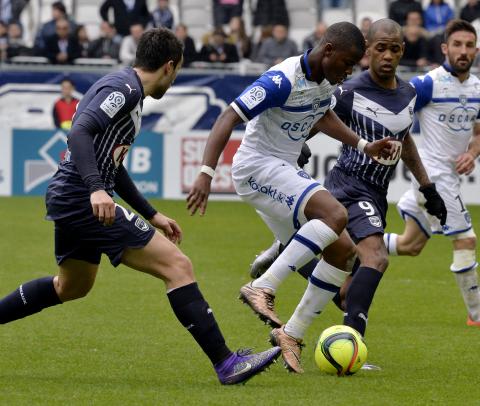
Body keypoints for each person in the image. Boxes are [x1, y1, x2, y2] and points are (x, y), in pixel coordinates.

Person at [0, 27, 280, 385]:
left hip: (71, 196)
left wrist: (151, 213)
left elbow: (111, 164)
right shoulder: (124, 90)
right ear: (168, 66)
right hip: (81, 197)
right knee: (178, 266)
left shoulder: (126, 89)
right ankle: (227, 364)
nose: (174, 79)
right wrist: (96, 189)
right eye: (177, 71)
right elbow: (78, 132)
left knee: (71, 287)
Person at [187, 22, 394, 373]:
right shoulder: (281, 79)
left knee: (343, 251)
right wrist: (206, 173)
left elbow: (324, 114)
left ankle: (292, 333)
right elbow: (227, 116)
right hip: (256, 167)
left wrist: (362, 144)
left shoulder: (326, 81)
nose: (348, 71)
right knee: (335, 214)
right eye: (347, 62)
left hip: (281, 169)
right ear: (328, 50)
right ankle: (262, 287)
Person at [249, 19, 447, 343]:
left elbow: (405, 139)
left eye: (394, 49)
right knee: (376, 258)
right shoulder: (349, 90)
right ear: (368, 49)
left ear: (402, 51)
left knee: (345, 289)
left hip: (376, 193)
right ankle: (353, 342)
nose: (387, 55)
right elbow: (316, 117)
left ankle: (291, 250)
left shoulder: (409, 94)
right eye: (380, 48)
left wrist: (427, 186)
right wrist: (297, 146)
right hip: (350, 185)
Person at [384, 19, 480, 327]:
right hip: (432, 179)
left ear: (476, 50)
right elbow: (396, 115)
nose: (463, 51)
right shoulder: (428, 84)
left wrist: (472, 152)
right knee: (465, 240)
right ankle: (477, 314)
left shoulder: (478, 88)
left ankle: (350, 245)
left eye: (468, 45)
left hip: (448, 178)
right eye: (457, 45)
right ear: (445, 48)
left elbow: (478, 131)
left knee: (411, 245)